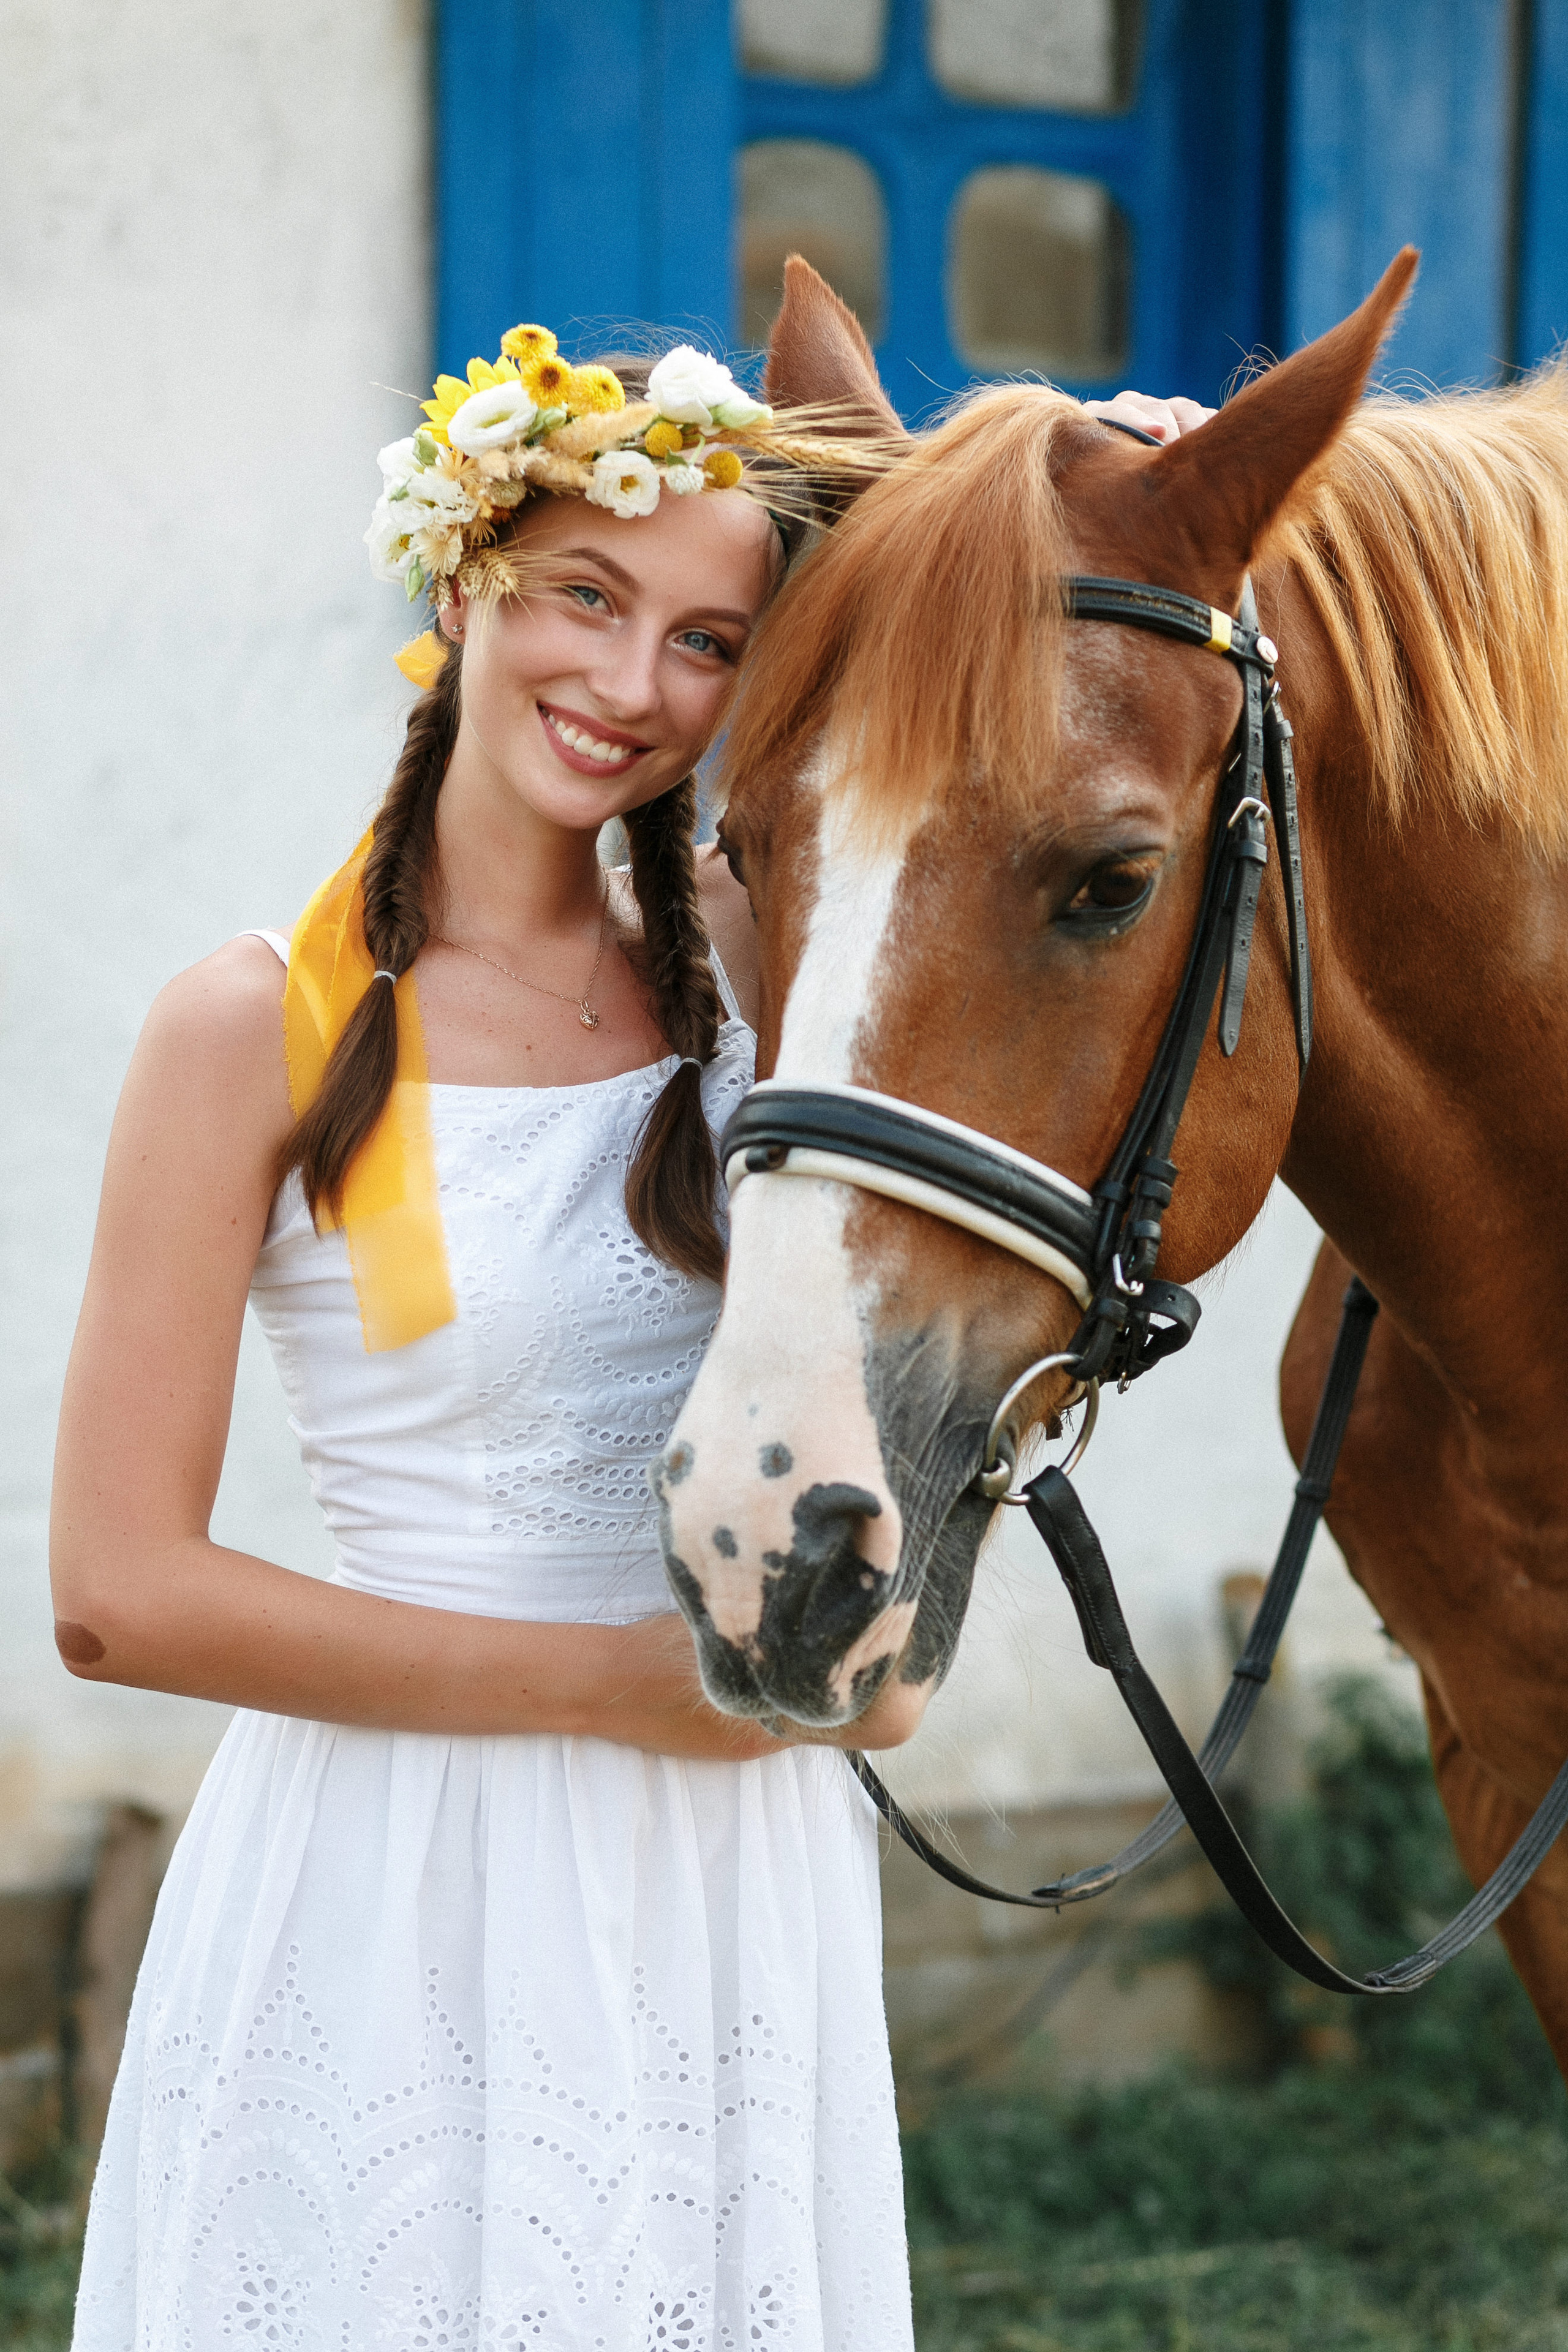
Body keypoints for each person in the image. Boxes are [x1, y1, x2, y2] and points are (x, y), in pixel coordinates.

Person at [51, 317, 1204, 2348]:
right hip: (394, 1863)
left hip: (728, 1860)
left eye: (705, 643)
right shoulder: (259, 1024)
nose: (630, 683)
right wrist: (609, 1688)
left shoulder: (759, 992)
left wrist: (1105, 484)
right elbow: (118, 1598)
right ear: (464, 577)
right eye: (588, 594)